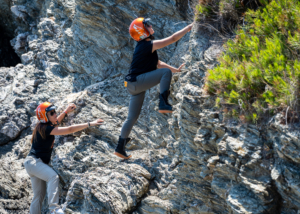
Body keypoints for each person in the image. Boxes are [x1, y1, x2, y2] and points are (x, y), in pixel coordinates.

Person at [114, 18, 193, 159]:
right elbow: (173, 38)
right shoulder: (147, 45)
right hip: (137, 82)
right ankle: (163, 103)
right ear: (142, 31)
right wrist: (189, 28)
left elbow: (159, 63)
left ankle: (120, 148)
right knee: (165, 73)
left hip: (132, 85)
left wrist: (176, 70)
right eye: (148, 25)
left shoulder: (142, 47)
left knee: (132, 117)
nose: (151, 26)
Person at [23, 102, 103, 214]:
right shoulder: (46, 129)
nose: (55, 114)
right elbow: (69, 129)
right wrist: (90, 123)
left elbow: (56, 122)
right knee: (53, 177)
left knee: (39, 196)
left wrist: (65, 111)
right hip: (34, 162)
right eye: (51, 113)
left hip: (30, 164)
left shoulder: (42, 127)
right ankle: (54, 209)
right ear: (45, 117)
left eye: (54, 111)